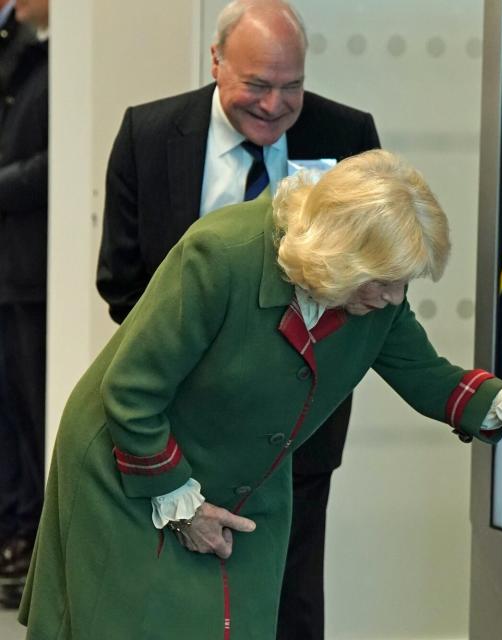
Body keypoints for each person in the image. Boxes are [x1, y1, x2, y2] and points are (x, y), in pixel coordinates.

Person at [18, 150, 502, 639]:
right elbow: (130, 392)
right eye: (383, 281)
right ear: (340, 256)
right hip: (134, 465)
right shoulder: (220, 256)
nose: (392, 298)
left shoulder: (374, 297)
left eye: (402, 283)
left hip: (243, 481)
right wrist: (179, 500)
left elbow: (425, 373)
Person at [95, 2, 380, 636]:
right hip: (186, 425)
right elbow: (121, 281)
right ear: (217, 62)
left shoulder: (347, 136)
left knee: (291, 595)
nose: (276, 105)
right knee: (183, 597)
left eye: (292, 87)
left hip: (298, 431)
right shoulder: (150, 134)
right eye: (257, 85)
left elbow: (371, 280)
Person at [0, 0, 46, 611]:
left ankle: (34, 535)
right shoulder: (19, 53)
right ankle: (14, 528)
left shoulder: (54, 58)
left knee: (34, 411)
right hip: (9, 270)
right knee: (9, 411)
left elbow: (53, 164)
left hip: (34, 273)